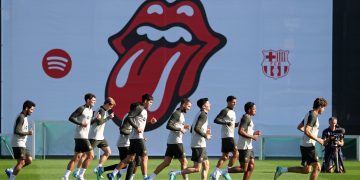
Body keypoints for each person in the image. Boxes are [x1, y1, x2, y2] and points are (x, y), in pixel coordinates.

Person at [274, 97, 328, 180]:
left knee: (306, 170)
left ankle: (282, 169)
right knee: (317, 168)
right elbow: (307, 131)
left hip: (305, 144)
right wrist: (319, 139)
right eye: (324, 107)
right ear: (320, 106)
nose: (324, 110)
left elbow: (300, 127)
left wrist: (309, 135)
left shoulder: (309, 114)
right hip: (308, 146)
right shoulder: (313, 116)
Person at [107, 94, 157, 180]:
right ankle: (145, 178)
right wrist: (136, 127)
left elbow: (140, 124)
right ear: (145, 101)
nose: (151, 104)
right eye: (150, 102)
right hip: (137, 138)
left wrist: (149, 123)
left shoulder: (143, 110)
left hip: (133, 138)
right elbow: (129, 118)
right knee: (144, 157)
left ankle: (113, 174)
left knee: (129, 158)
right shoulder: (140, 108)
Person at [146, 98, 192, 180]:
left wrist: (184, 126)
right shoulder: (177, 113)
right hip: (176, 141)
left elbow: (176, 125)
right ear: (183, 105)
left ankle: (150, 178)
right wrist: (180, 129)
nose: (189, 108)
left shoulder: (180, 113)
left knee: (166, 162)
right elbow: (168, 125)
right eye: (188, 106)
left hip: (171, 141)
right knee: (184, 162)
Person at [72, 97, 116, 179]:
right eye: (111, 106)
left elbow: (94, 122)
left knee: (108, 152)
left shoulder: (102, 110)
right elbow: (99, 123)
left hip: (100, 137)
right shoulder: (101, 110)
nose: (111, 107)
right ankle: (77, 171)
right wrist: (109, 118)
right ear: (107, 104)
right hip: (94, 136)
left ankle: (98, 168)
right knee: (85, 155)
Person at [169, 98, 212, 180]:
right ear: (203, 106)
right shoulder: (203, 115)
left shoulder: (199, 113)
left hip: (200, 144)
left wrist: (205, 130)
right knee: (197, 168)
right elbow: (196, 128)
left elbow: (192, 129)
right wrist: (206, 135)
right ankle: (174, 173)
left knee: (206, 165)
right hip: (199, 145)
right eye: (208, 103)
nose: (210, 105)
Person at [100, 102, 141, 180]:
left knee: (130, 163)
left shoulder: (132, 116)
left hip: (127, 143)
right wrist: (132, 134)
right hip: (124, 143)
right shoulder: (129, 117)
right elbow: (122, 130)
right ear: (135, 109)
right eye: (139, 109)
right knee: (131, 162)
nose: (140, 111)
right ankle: (113, 174)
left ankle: (105, 171)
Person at [62, 93, 98, 180]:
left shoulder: (90, 110)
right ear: (88, 100)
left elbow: (88, 123)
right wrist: (81, 123)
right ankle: (80, 175)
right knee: (91, 155)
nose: (94, 102)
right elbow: (71, 118)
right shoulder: (82, 108)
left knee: (77, 157)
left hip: (81, 136)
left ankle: (65, 176)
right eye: (93, 100)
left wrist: (95, 119)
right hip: (82, 136)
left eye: (95, 101)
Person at [224, 101, 261, 180]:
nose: (255, 110)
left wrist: (254, 133)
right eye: (254, 109)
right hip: (244, 146)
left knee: (251, 166)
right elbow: (240, 131)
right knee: (244, 168)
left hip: (249, 146)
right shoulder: (246, 118)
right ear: (249, 110)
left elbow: (246, 131)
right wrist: (253, 136)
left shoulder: (248, 117)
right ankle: (222, 171)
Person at [210, 96, 239, 180]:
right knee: (236, 154)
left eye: (235, 102)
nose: (235, 103)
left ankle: (215, 173)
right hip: (228, 136)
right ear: (228, 102)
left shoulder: (233, 112)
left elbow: (231, 124)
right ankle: (225, 171)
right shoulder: (225, 110)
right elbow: (216, 120)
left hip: (227, 136)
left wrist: (238, 124)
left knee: (225, 157)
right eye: (233, 102)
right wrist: (226, 122)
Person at [4, 100, 36, 180]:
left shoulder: (24, 117)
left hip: (22, 143)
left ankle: (11, 170)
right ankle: (11, 178)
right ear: (26, 108)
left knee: (29, 160)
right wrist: (28, 133)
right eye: (31, 109)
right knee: (21, 162)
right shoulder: (21, 117)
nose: (32, 111)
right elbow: (17, 131)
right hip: (18, 143)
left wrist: (27, 133)